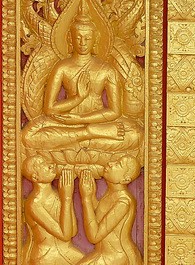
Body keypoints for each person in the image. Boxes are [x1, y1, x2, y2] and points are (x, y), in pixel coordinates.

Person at [21, 14, 142, 164]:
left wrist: (81, 119)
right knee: (28, 135)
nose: (82, 43)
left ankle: (82, 136)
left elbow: (115, 111)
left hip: (97, 122)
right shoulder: (62, 67)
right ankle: (87, 133)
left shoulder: (107, 70)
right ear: (70, 39)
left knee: (136, 134)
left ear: (95, 40)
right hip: (67, 122)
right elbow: (49, 109)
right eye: (78, 38)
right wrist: (78, 98)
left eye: (87, 38)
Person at [58, 156, 144, 265]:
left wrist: (86, 199)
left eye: (118, 164)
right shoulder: (111, 194)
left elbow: (94, 236)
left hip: (116, 257)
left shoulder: (123, 202)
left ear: (125, 178)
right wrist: (91, 195)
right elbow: (98, 216)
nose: (110, 163)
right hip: (103, 254)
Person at [21, 158, 83, 265]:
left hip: (65, 251)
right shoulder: (35, 203)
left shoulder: (56, 195)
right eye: (41, 164)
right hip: (47, 259)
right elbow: (64, 234)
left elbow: (72, 231)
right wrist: (67, 197)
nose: (49, 165)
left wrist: (66, 198)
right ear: (35, 177)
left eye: (47, 163)